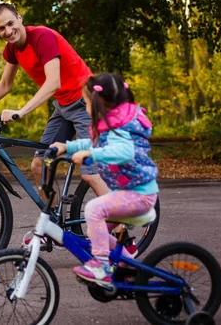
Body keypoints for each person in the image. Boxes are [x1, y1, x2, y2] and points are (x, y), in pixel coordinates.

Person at [0, 2, 108, 198]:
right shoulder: (13, 49)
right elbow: (6, 84)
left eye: (10, 23)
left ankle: (119, 224)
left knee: (90, 173)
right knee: (40, 165)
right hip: (63, 105)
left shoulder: (42, 37)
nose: (8, 31)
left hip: (86, 103)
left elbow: (53, 83)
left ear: (19, 18)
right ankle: (55, 225)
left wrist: (21, 111)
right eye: (1, 28)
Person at [50, 72, 159, 286]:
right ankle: (128, 265)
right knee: (96, 230)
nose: (84, 105)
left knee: (93, 209)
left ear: (98, 102)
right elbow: (94, 144)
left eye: (87, 101)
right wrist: (67, 146)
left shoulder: (119, 127)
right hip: (128, 193)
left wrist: (92, 155)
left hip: (140, 195)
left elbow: (124, 152)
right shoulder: (109, 123)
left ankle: (101, 267)